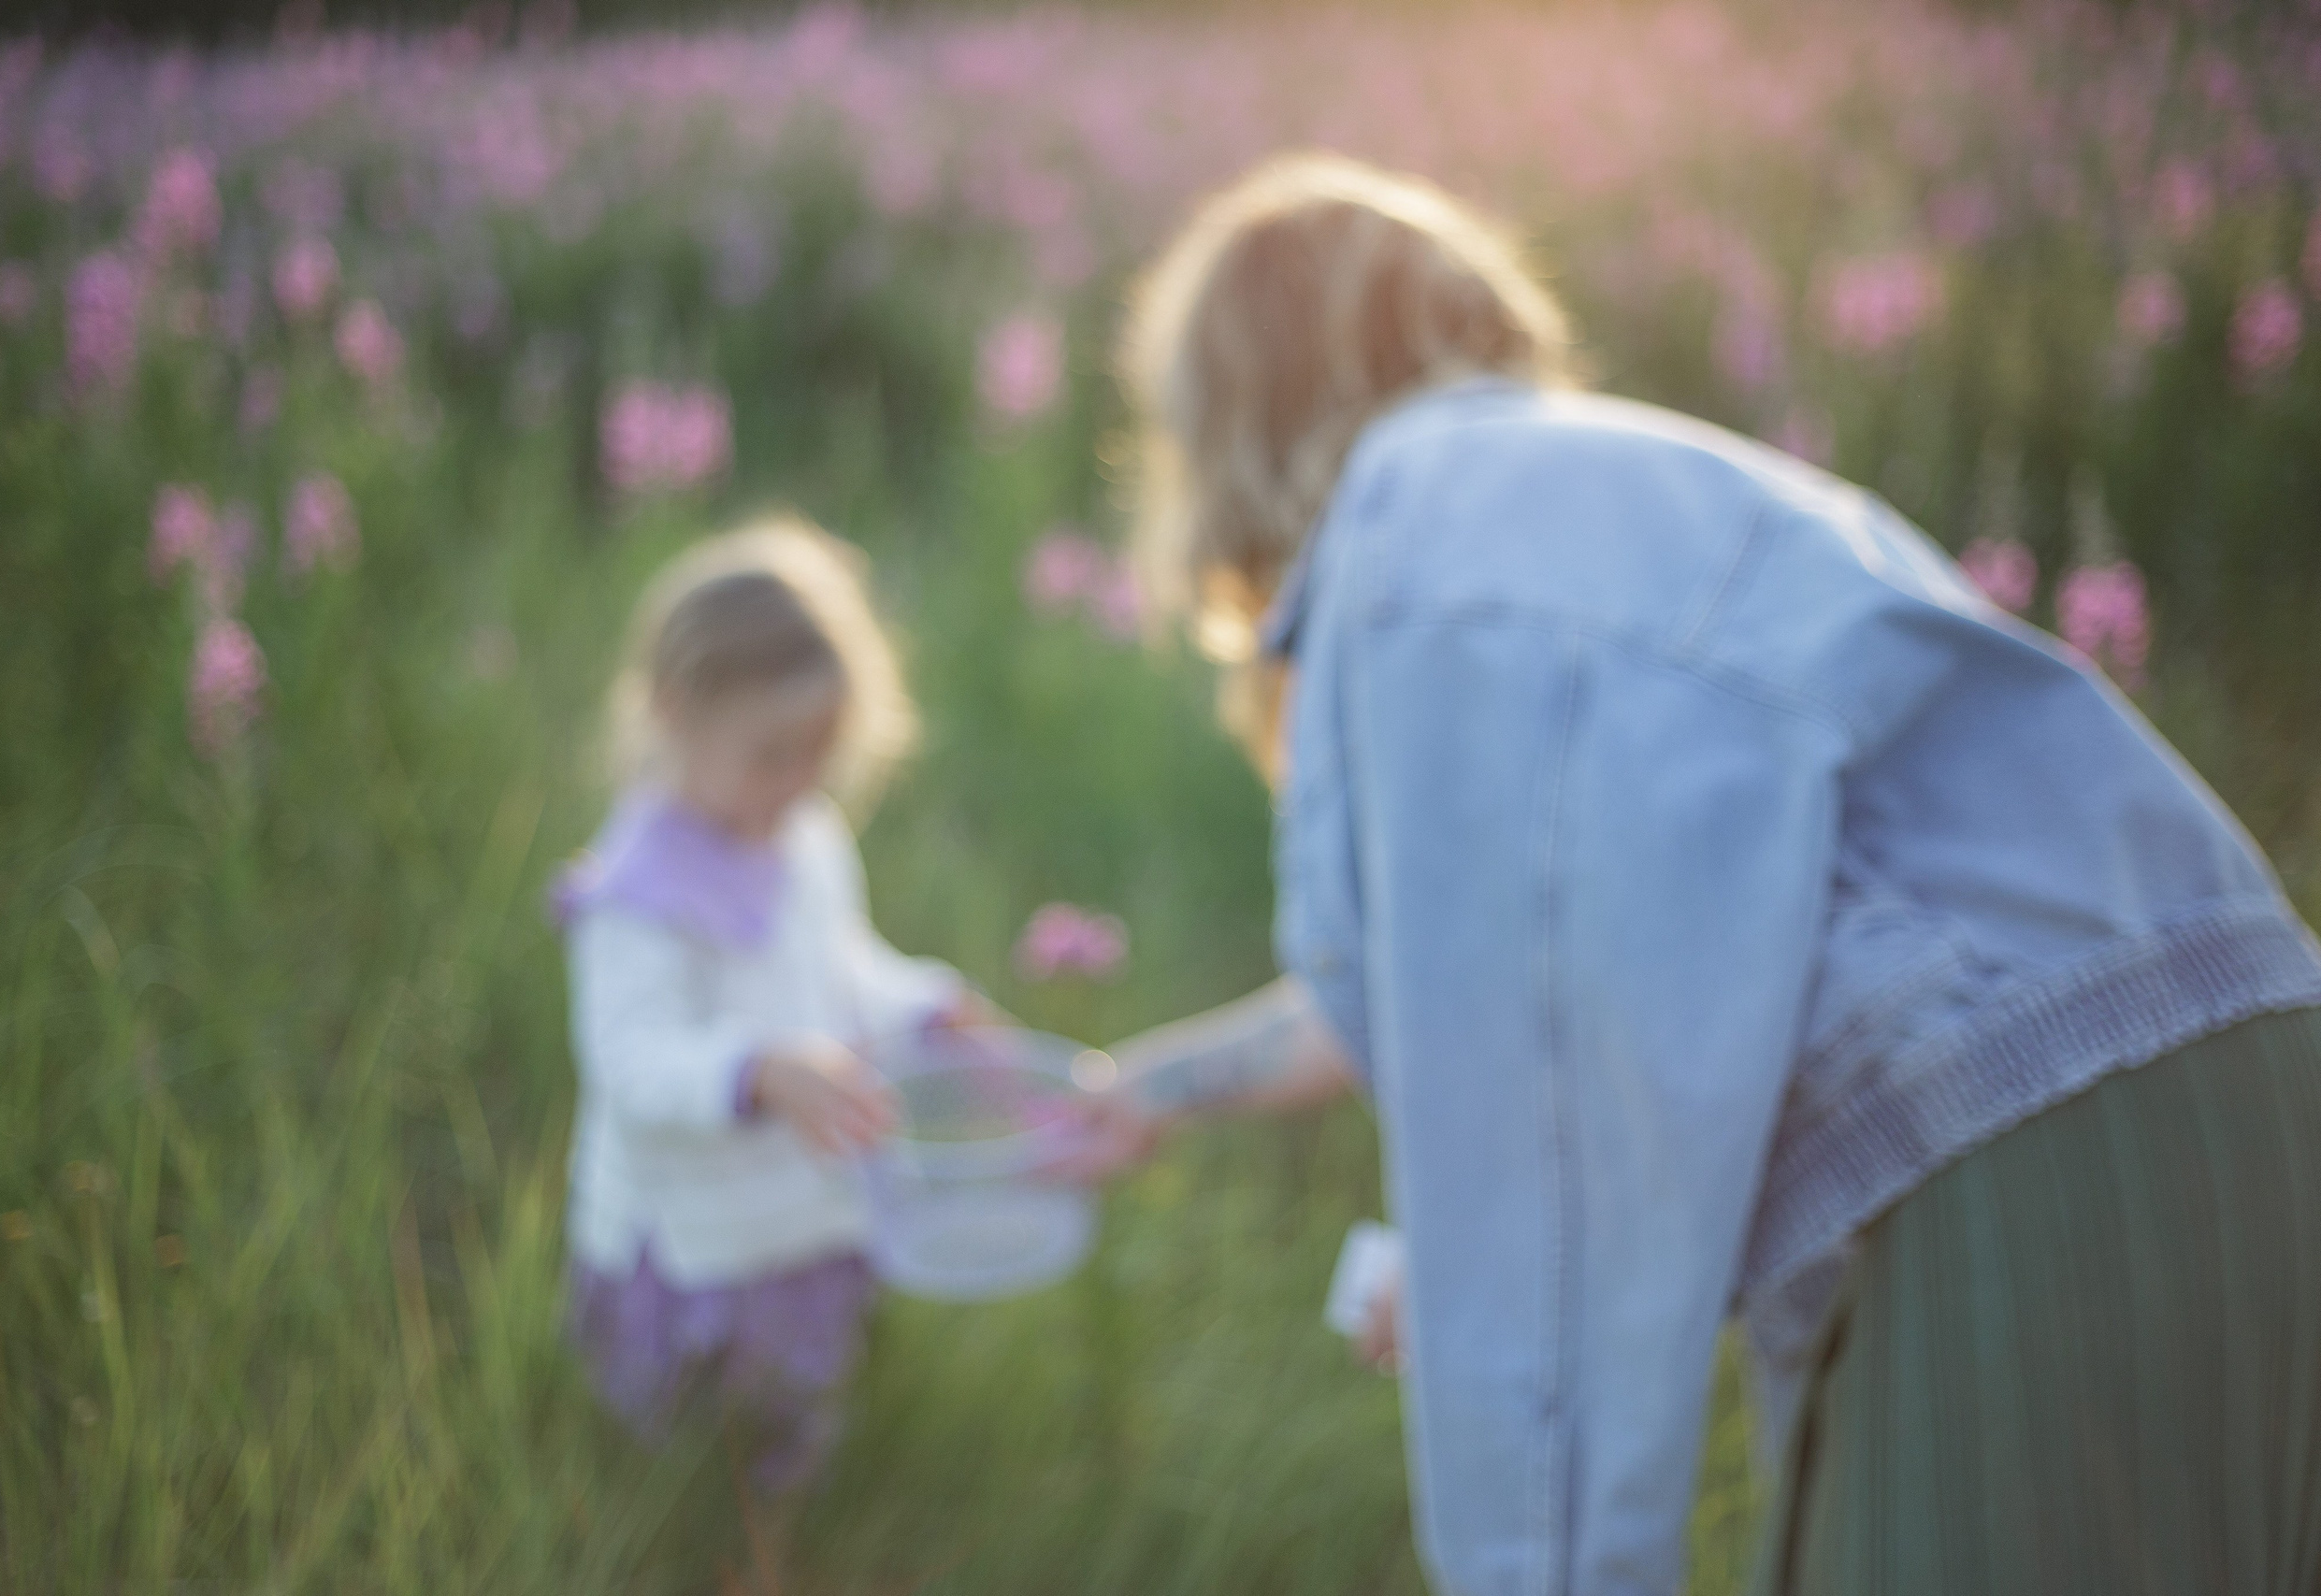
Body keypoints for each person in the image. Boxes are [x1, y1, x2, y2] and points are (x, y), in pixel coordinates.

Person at [1065, 153, 2321, 1594]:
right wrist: (1134, 1092)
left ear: (1231, 405)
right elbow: (1441, 978)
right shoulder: (1605, 490)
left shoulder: (1428, 552)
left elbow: (1533, 1079)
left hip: (2036, 1159)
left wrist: (1504, 1309)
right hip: (2247, 1077)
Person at [551, 514, 971, 1488]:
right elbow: (633, 1062)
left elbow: (841, 970)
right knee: (683, 1447)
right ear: (671, 712)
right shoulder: (636, 898)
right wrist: (755, 1069)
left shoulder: (804, 840)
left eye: (820, 748)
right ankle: (693, 1531)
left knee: (788, 1412)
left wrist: (924, 1005)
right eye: (770, 753)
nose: (801, 779)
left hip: (795, 1206)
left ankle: (782, 1522)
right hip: (690, 1230)